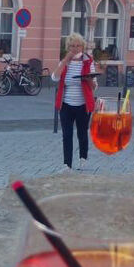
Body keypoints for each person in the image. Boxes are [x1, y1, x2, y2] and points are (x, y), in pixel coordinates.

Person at [52, 32, 98, 171]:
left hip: (83, 105)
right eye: (72, 46)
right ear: (68, 47)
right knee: (67, 135)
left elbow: (94, 87)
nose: (75, 48)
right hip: (66, 104)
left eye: (78, 46)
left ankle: (83, 158)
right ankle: (67, 164)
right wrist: (65, 60)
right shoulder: (64, 62)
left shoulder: (88, 62)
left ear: (82, 47)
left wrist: (89, 79)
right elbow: (54, 77)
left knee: (82, 133)